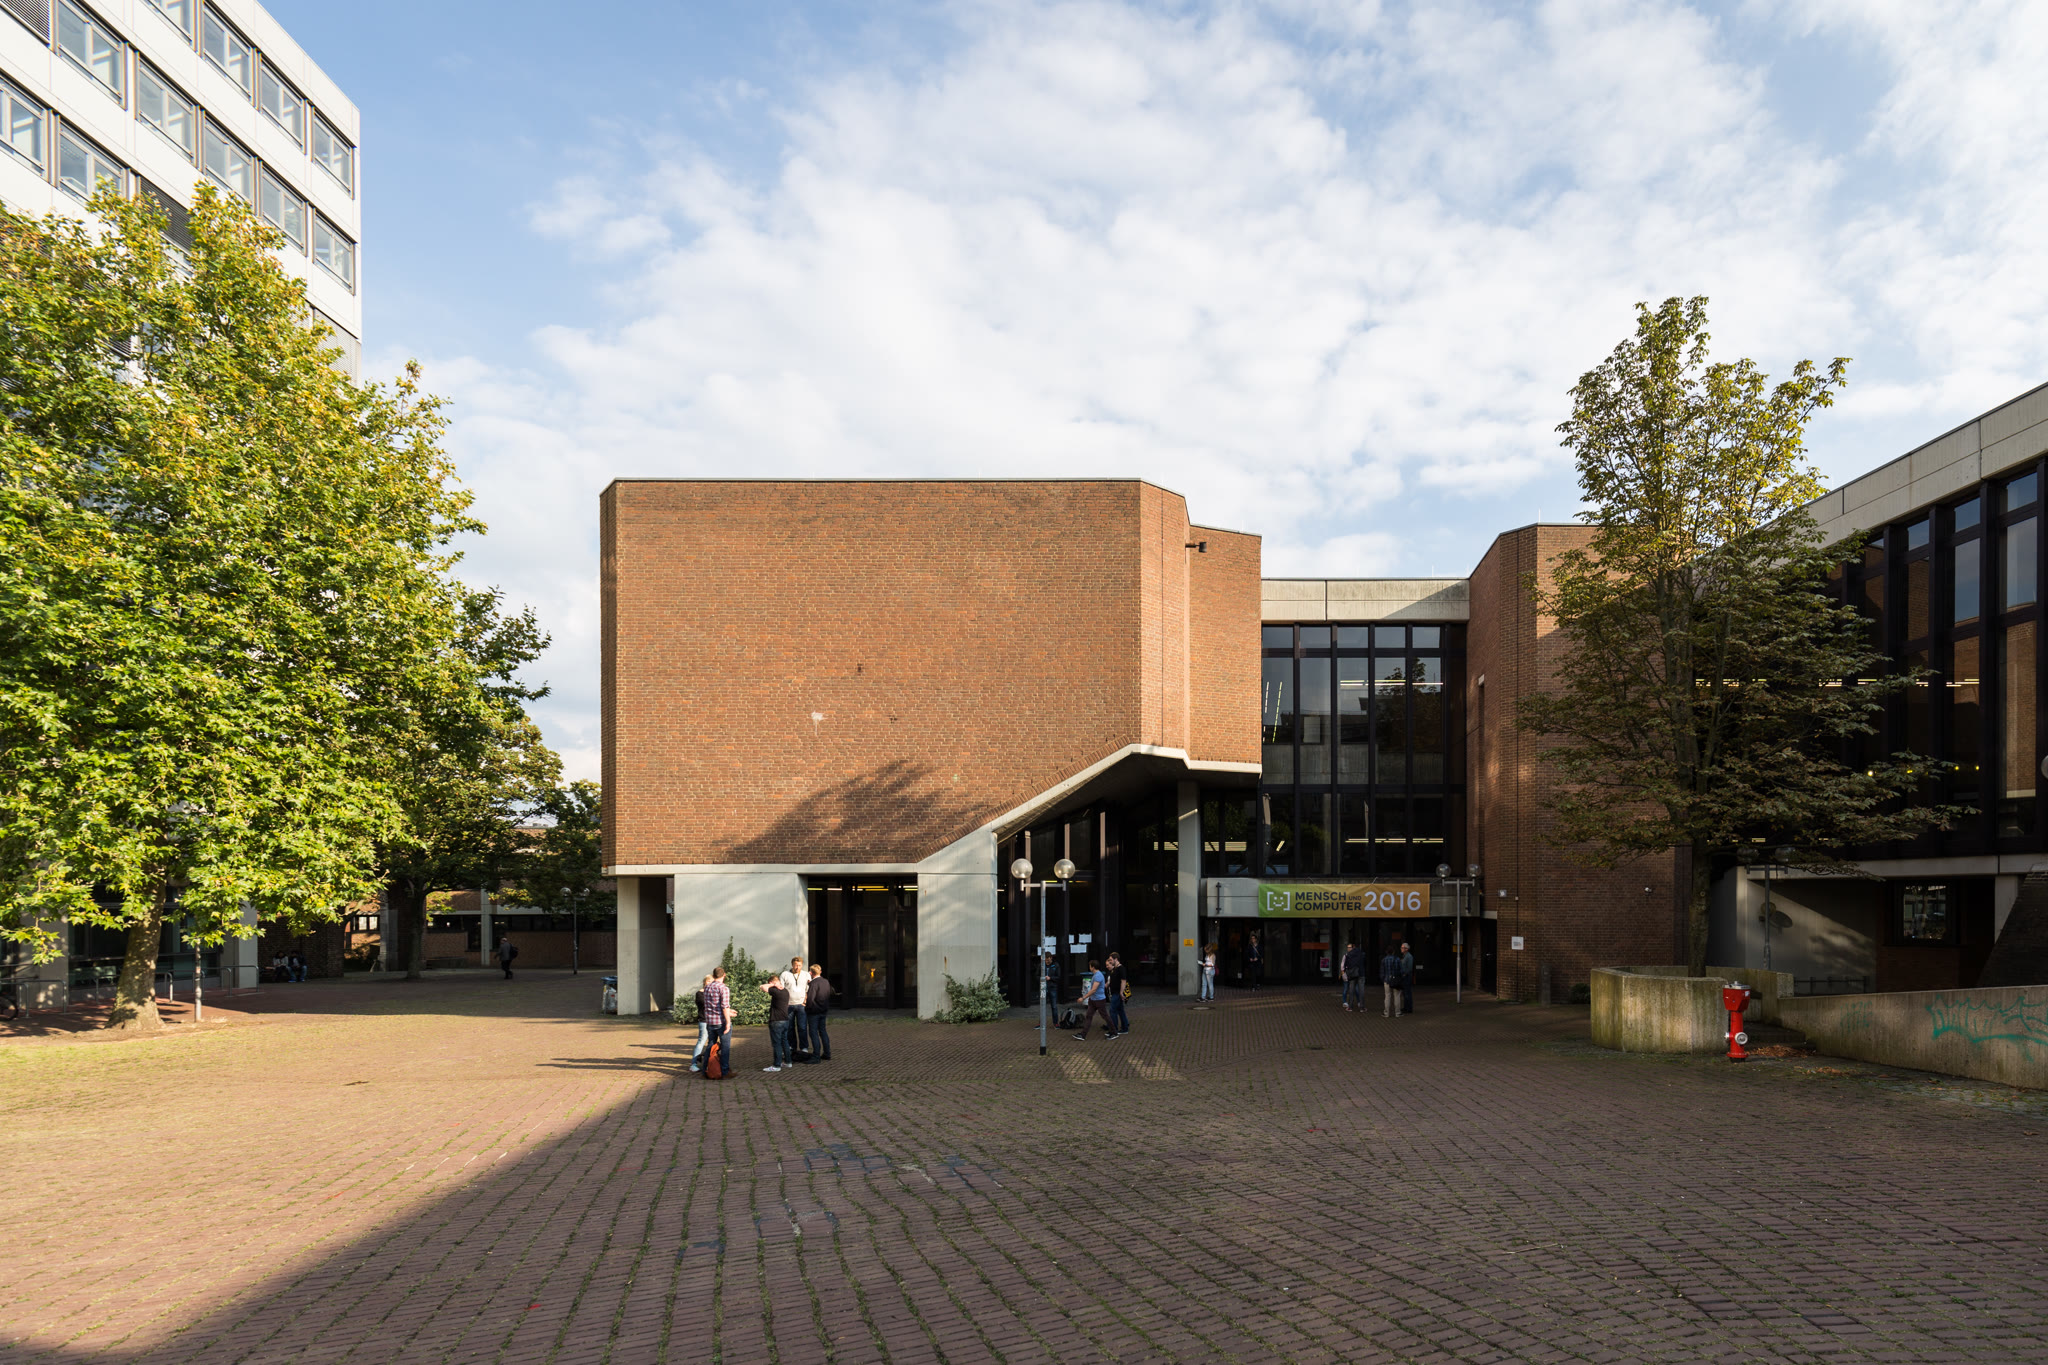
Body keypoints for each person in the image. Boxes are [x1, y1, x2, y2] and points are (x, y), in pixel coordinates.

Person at [702, 967, 733, 1077]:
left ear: (713, 975)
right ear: (724, 975)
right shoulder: (723, 988)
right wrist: (728, 1022)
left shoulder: (707, 987)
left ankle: (705, 1069)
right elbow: (724, 1006)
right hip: (721, 1021)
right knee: (725, 1047)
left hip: (710, 1021)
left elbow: (711, 1005)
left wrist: (729, 1011)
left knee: (711, 1044)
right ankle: (724, 1071)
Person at [760, 976, 793, 1073]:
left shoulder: (775, 991)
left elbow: (762, 987)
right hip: (785, 1020)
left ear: (771, 982)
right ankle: (788, 1062)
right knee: (785, 1041)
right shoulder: (785, 991)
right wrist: (775, 984)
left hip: (776, 1020)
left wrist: (773, 985)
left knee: (777, 1044)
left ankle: (776, 1065)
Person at [1072, 959, 1111, 1040]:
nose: (1089, 967)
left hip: (1099, 1000)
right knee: (1089, 1016)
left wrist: (1083, 998)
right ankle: (1083, 1035)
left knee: (1105, 1016)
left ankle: (1114, 1031)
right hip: (1093, 999)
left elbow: (1093, 990)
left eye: (1090, 966)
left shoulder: (1098, 976)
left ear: (1093, 967)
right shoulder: (1096, 975)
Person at [781, 957, 810, 1063]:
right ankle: (792, 1047)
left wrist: (805, 1001)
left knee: (802, 1027)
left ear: (802, 965)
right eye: (795, 965)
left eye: (799, 965)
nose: (797, 967)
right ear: (792, 964)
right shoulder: (785, 974)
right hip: (789, 1005)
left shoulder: (806, 975)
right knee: (790, 1027)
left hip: (801, 1005)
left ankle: (804, 1048)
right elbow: (782, 990)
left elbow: (809, 989)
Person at [804, 963, 832, 1061]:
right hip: (823, 1010)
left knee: (813, 1033)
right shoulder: (825, 982)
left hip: (814, 1012)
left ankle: (816, 1055)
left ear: (811, 973)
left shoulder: (813, 984)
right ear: (820, 971)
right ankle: (827, 1053)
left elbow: (810, 999)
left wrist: (807, 1008)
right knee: (823, 1031)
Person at [688, 974, 713, 1073]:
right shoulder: (700, 994)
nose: (710, 983)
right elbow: (705, 1004)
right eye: (708, 981)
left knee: (712, 1042)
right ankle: (693, 1064)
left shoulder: (712, 993)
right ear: (704, 982)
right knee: (702, 1041)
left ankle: (709, 1063)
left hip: (712, 1021)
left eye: (712, 982)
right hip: (704, 1021)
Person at [1104, 952, 1129, 1039]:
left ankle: (1114, 1031)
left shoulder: (1121, 969)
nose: (1110, 961)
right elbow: (1111, 981)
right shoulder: (1114, 969)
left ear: (1116, 959)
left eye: (1111, 960)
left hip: (1117, 993)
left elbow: (1123, 981)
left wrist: (1121, 992)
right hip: (1115, 992)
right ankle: (1125, 1028)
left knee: (1112, 1010)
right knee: (1120, 1010)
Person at [1340, 941, 1367, 1012]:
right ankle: (1362, 1007)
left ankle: (1350, 1006)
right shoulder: (1362, 954)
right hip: (1361, 973)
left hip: (1352, 974)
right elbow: (1365, 963)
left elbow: (1345, 964)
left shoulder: (1348, 954)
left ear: (1353, 946)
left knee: (1351, 990)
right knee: (1361, 990)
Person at [1380, 942, 1403, 1017]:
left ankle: (1386, 1013)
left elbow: (1382, 971)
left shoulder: (1384, 960)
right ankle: (1398, 1012)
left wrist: (1383, 979)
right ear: (1393, 951)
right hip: (1396, 980)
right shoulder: (1397, 959)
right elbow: (1401, 970)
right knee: (1397, 996)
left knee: (1387, 996)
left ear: (1386, 952)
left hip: (1387, 980)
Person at [1399, 940, 1416, 1016]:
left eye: (1402, 948)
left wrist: (1404, 974)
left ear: (1406, 949)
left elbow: (1409, 968)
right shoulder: (1405, 956)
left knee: (1407, 992)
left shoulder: (1409, 957)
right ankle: (1406, 1007)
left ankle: (1409, 1008)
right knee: (1405, 993)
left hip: (1407, 977)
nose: (1401, 949)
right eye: (1401, 947)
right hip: (1404, 977)